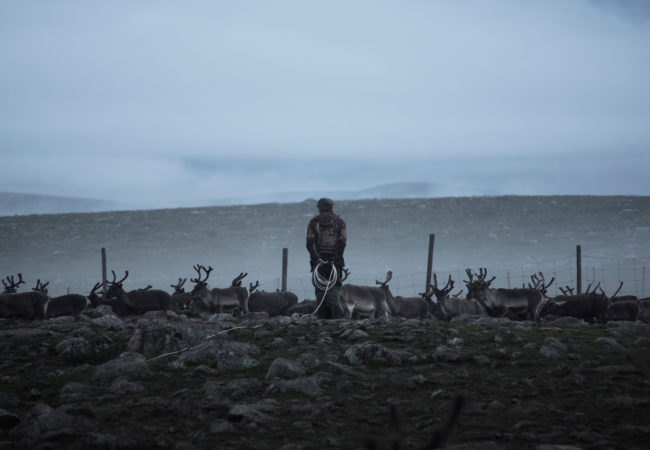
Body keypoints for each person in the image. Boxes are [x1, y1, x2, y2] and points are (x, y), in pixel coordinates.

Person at [306, 198, 347, 318]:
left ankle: (322, 315)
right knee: (335, 286)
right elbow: (342, 242)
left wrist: (317, 258)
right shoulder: (340, 222)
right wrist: (334, 259)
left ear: (320, 208)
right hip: (335, 261)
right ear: (331, 207)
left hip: (318, 261)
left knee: (320, 288)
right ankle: (335, 315)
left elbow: (310, 242)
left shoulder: (313, 222)